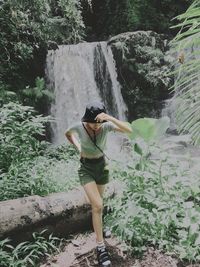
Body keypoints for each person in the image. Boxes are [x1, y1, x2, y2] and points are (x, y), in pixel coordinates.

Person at [65, 101, 132, 267]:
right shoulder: (79, 126)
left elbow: (130, 130)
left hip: (102, 167)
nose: (96, 127)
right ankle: (100, 247)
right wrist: (78, 146)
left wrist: (108, 118)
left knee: (98, 205)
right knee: (98, 205)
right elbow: (68, 134)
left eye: (98, 124)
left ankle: (99, 229)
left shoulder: (106, 126)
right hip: (86, 168)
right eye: (93, 124)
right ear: (86, 120)